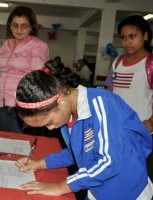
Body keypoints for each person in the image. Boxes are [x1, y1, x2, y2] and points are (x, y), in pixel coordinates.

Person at [14, 69, 152, 199]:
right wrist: (41, 163)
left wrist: (62, 186)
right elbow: (78, 151)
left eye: (48, 122)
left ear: (61, 103)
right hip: (97, 191)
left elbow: (109, 162)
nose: (50, 128)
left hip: (128, 193)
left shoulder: (102, 104)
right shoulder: (67, 115)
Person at [0, 6, 49, 133]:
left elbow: (38, 80)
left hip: (22, 108)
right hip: (1, 104)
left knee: (19, 147)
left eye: (24, 26)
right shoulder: (6, 45)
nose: (19, 30)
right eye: (15, 25)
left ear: (31, 27)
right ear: (9, 26)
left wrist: (33, 113)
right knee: (2, 144)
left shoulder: (38, 46)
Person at [104, 15, 153, 134]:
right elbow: (110, 90)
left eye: (132, 36)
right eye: (123, 38)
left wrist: (152, 121)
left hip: (142, 130)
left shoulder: (150, 63)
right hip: (117, 127)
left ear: (145, 35)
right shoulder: (117, 62)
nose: (127, 42)